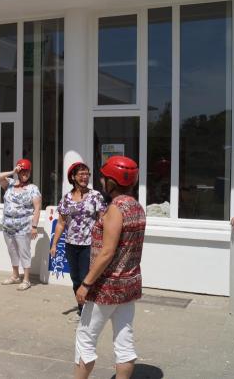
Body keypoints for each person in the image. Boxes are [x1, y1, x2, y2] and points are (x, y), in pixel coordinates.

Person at [74, 156, 145, 379]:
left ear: (113, 182)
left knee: (85, 338)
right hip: (128, 285)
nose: (102, 182)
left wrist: (86, 284)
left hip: (105, 287)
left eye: (104, 178)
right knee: (124, 340)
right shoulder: (137, 207)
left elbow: (107, 252)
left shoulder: (116, 209)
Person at [51, 162, 106, 321]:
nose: (84, 177)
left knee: (85, 277)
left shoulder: (96, 196)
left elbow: (102, 221)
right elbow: (61, 223)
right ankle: (82, 308)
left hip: (89, 245)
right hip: (70, 244)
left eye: (86, 174)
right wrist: (54, 244)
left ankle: (88, 311)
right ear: (73, 177)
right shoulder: (67, 199)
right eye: (81, 174)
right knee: (75, 278)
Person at [0, 159, 42, 291]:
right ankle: (15, 276)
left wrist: (34, 227)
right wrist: (13, 171)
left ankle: (26, 279)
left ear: (30, 172)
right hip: (7, 225)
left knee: (24, 252)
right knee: (12, 251)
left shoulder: (33, 189)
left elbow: (37, 208)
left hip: (23, 226)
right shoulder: (9, 184)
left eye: (27, 171)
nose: (24, 174)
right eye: (22, 171)